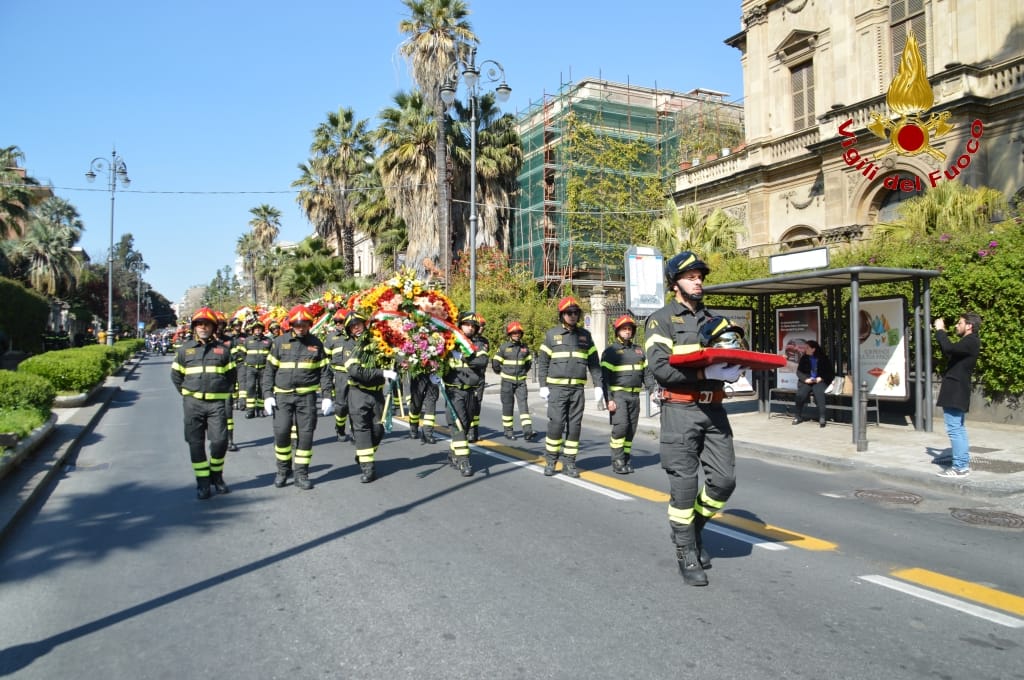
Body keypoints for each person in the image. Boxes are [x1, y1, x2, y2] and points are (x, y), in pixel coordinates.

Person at [645, 251, 742, 587]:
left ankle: (692, 530)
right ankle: (686, 551)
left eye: (700, 277)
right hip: (680, 410)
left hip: (713, 410)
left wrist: (733, 369)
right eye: (691, 277)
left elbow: (729, 351)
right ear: (675, 283)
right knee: (684, 487)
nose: (698, 282)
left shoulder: (713, 319)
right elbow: (661, 368)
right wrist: (705, 372)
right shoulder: (660, 320)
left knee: (724, 481)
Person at [262, 305, 333, 490]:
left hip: (306, 398)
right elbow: (269, 371)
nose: (301, 328)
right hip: (282, 397)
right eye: (297, 324)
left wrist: (327, 396)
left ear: (309, 324)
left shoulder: (316, 344)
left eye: (304, 324)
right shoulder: (279, 342)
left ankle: (301, 474)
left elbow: (325, 372)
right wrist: (267, 395)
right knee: (281, 433)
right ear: (291, 325)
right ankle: (283, 470)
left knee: (306, 436)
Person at [170, 307, 237, 500]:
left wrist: (221, 392)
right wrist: (187, 393)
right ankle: (203, 482)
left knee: (220, 442)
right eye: (199, 324)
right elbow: (176, 376)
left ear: (213, 327)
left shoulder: (223, 351)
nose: (203, 327)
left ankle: (217, 475)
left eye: (207, 324)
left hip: (216, 404)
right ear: (194, 327)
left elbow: (231, 376)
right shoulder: (185, 350)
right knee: (195, 443)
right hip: (193, 404)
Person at [536, 296, 603, 478]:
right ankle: (551, 461)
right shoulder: (552, 335)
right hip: (557, 390)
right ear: (562, 315)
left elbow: (594, 363)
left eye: (575, 312)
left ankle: (570, 463)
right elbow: (543, 363)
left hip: (577, 391)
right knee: (556, 425)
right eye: (569, 312)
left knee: (574, 427)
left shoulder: (585, 336)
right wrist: (543, 385)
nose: (573, 316)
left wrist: (598, 386)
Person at [343, 311, 396, 483]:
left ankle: (363, 454)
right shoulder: (349, 346)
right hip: (359, 393)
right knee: (362, 430)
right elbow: (356, 371)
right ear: (349, 331)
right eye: (352, 327)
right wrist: (382, 372)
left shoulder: (376, 341)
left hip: (377, 394)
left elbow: (389, 357)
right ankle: (368, 468)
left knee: (378, 430)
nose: (356, 328)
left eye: (358, 324)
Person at [601, 314, 656, 474]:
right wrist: (609, 399)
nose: (627, 331)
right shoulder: (611, 351)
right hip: (619, 395)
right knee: (621, 428)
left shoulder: (638, 351)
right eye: (624, 329)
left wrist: (652, 391)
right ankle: (617, 460)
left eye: (629, 329)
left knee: (631, 429)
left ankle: (625, 458)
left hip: (634, 396)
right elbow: (605, 378)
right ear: (617, 331)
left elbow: (647, 373)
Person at [442, 312, 490, 476]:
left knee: (466, 424)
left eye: (473, 326)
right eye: (467, 325)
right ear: (460, 325)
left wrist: (463, 356)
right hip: (453, 390)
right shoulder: (449, 341)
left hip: (471, 391)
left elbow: (482, 361)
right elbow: (437, 360)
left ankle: (453, 454)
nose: (470, 328)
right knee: (458, 426)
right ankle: (464, 461)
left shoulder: (479, 343)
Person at [934, 312, 981, 477]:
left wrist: (940, 331)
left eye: (959, 323)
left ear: (969, 326)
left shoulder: (971, 341)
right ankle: (961, 462)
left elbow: (948, 348)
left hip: (956, 390)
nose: (956, 325)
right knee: (958, 428)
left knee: (954, 429)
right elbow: (950, 353)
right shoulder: (968, 342)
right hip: (957, 389)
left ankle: (960, 467)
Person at [492, 320, 535, 441]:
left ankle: (528, 431)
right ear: (510, 334)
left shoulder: (524, 348)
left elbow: (528, 364)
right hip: (507, 383)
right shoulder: (504, 347)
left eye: (518, 332)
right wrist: (501, 373)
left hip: (521, 383)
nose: (516, 334)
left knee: (524, 406)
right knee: (508, 406)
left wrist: (522, 374)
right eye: (514, 333)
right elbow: (495, 363)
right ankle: (508, 431)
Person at [324, 309, 353, 441]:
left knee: (356, 405)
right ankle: (340, 428)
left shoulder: (355, 336)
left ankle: (355, 430)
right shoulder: (331, 337)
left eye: (340, 322)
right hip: (340, 376)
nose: (338, 324)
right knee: (341, 406)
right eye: (336, 322)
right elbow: (326, 360)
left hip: (355, 375)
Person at [792, 339, 836, 428]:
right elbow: (799, 372)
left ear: (813, 349)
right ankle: (798, 416)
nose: (805, 349)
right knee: (800, 394)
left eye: (807, 348)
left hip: (820, 381)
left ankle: (822, 417)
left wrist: (821, 378)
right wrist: (805, 380)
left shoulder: (823, 358)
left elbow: (830, 373)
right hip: (808, 381)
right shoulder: (804, 358)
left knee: (819, 393)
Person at [242, 320, 272, 418]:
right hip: (250, 369)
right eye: (256, 328)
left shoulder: (268, 341)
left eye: (259, 328)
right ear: (253, 330)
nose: (257, 330)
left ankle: (260, 409)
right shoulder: (247, 340)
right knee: (250, 387)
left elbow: (272, 355)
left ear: (262, 329)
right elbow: (242, 354)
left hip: (263, 369)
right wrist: (246, 363)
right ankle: (250, 411)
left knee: (262, 388)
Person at [468, 314, 490, 442]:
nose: (482, 328)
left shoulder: (485, 341)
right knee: (467, 404)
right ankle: (466, 430)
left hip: (480, 377)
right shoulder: (466, 340)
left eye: (483, 326)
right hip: (467, 376)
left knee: (477, 404)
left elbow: (484, 359)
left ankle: (474, 432)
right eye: (480, 326)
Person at [408, 372, 440, 444]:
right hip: (418, 375)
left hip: (432, 375)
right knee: (416, 404)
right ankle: (413, 426)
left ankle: (427, 433)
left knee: (431, 401)